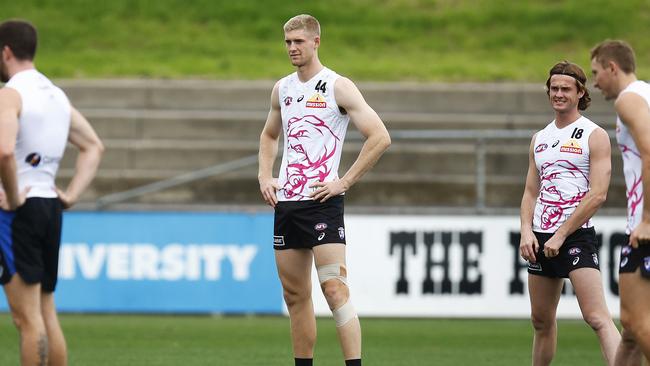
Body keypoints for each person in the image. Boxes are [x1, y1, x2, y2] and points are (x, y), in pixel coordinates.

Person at [258, 14, 390, 366]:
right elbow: (270, 135)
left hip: (322, 203)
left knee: (334, 290)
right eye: (287, 42)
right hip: (287, 205)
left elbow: (379, 136)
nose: (292, 48)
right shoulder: (282, 89)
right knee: (295, 296)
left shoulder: (337, 86)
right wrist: (264, 175)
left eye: (298, 42)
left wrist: (344, 182)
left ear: (316, 42)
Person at [0, 19, 104, 365]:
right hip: (49, 207)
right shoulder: (56, 96)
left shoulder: (11, 93)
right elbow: (94, 146)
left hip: (19, 212)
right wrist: (71, 193)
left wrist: (13, 197)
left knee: (25, 320)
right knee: (45, 311)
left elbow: (3, 152)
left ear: (6, 52)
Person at [519, 60, 620, 366]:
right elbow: (530, 192)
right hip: (540, 237)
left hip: (575, 235)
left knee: (597, 318)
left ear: (580, 93)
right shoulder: (539, 138)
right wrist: (526, 230)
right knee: (541, 321)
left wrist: (562, 234)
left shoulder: (593, 134)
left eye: (566, 88)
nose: (559, 93)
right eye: (554, 88)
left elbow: (598, 194)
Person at [591, 40, 650, 365]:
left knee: (635, 320)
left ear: (613, 67)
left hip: (644, 227)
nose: (595, 82)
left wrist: (647, 219)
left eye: (597, 73)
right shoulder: (646, 94)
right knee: (629, 335)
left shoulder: (628, 100)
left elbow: (649, 151)